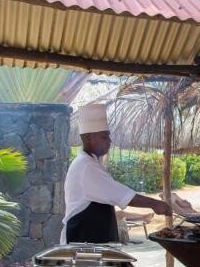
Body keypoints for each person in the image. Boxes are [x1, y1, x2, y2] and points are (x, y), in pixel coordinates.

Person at [61, 103, 171, 244]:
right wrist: (154, 203)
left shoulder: (90, 162)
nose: (110, 141)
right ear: (88, 138)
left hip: (90, 243)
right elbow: (119, 194)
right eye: (104, 137)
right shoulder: (86, 166)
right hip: (82, 244)